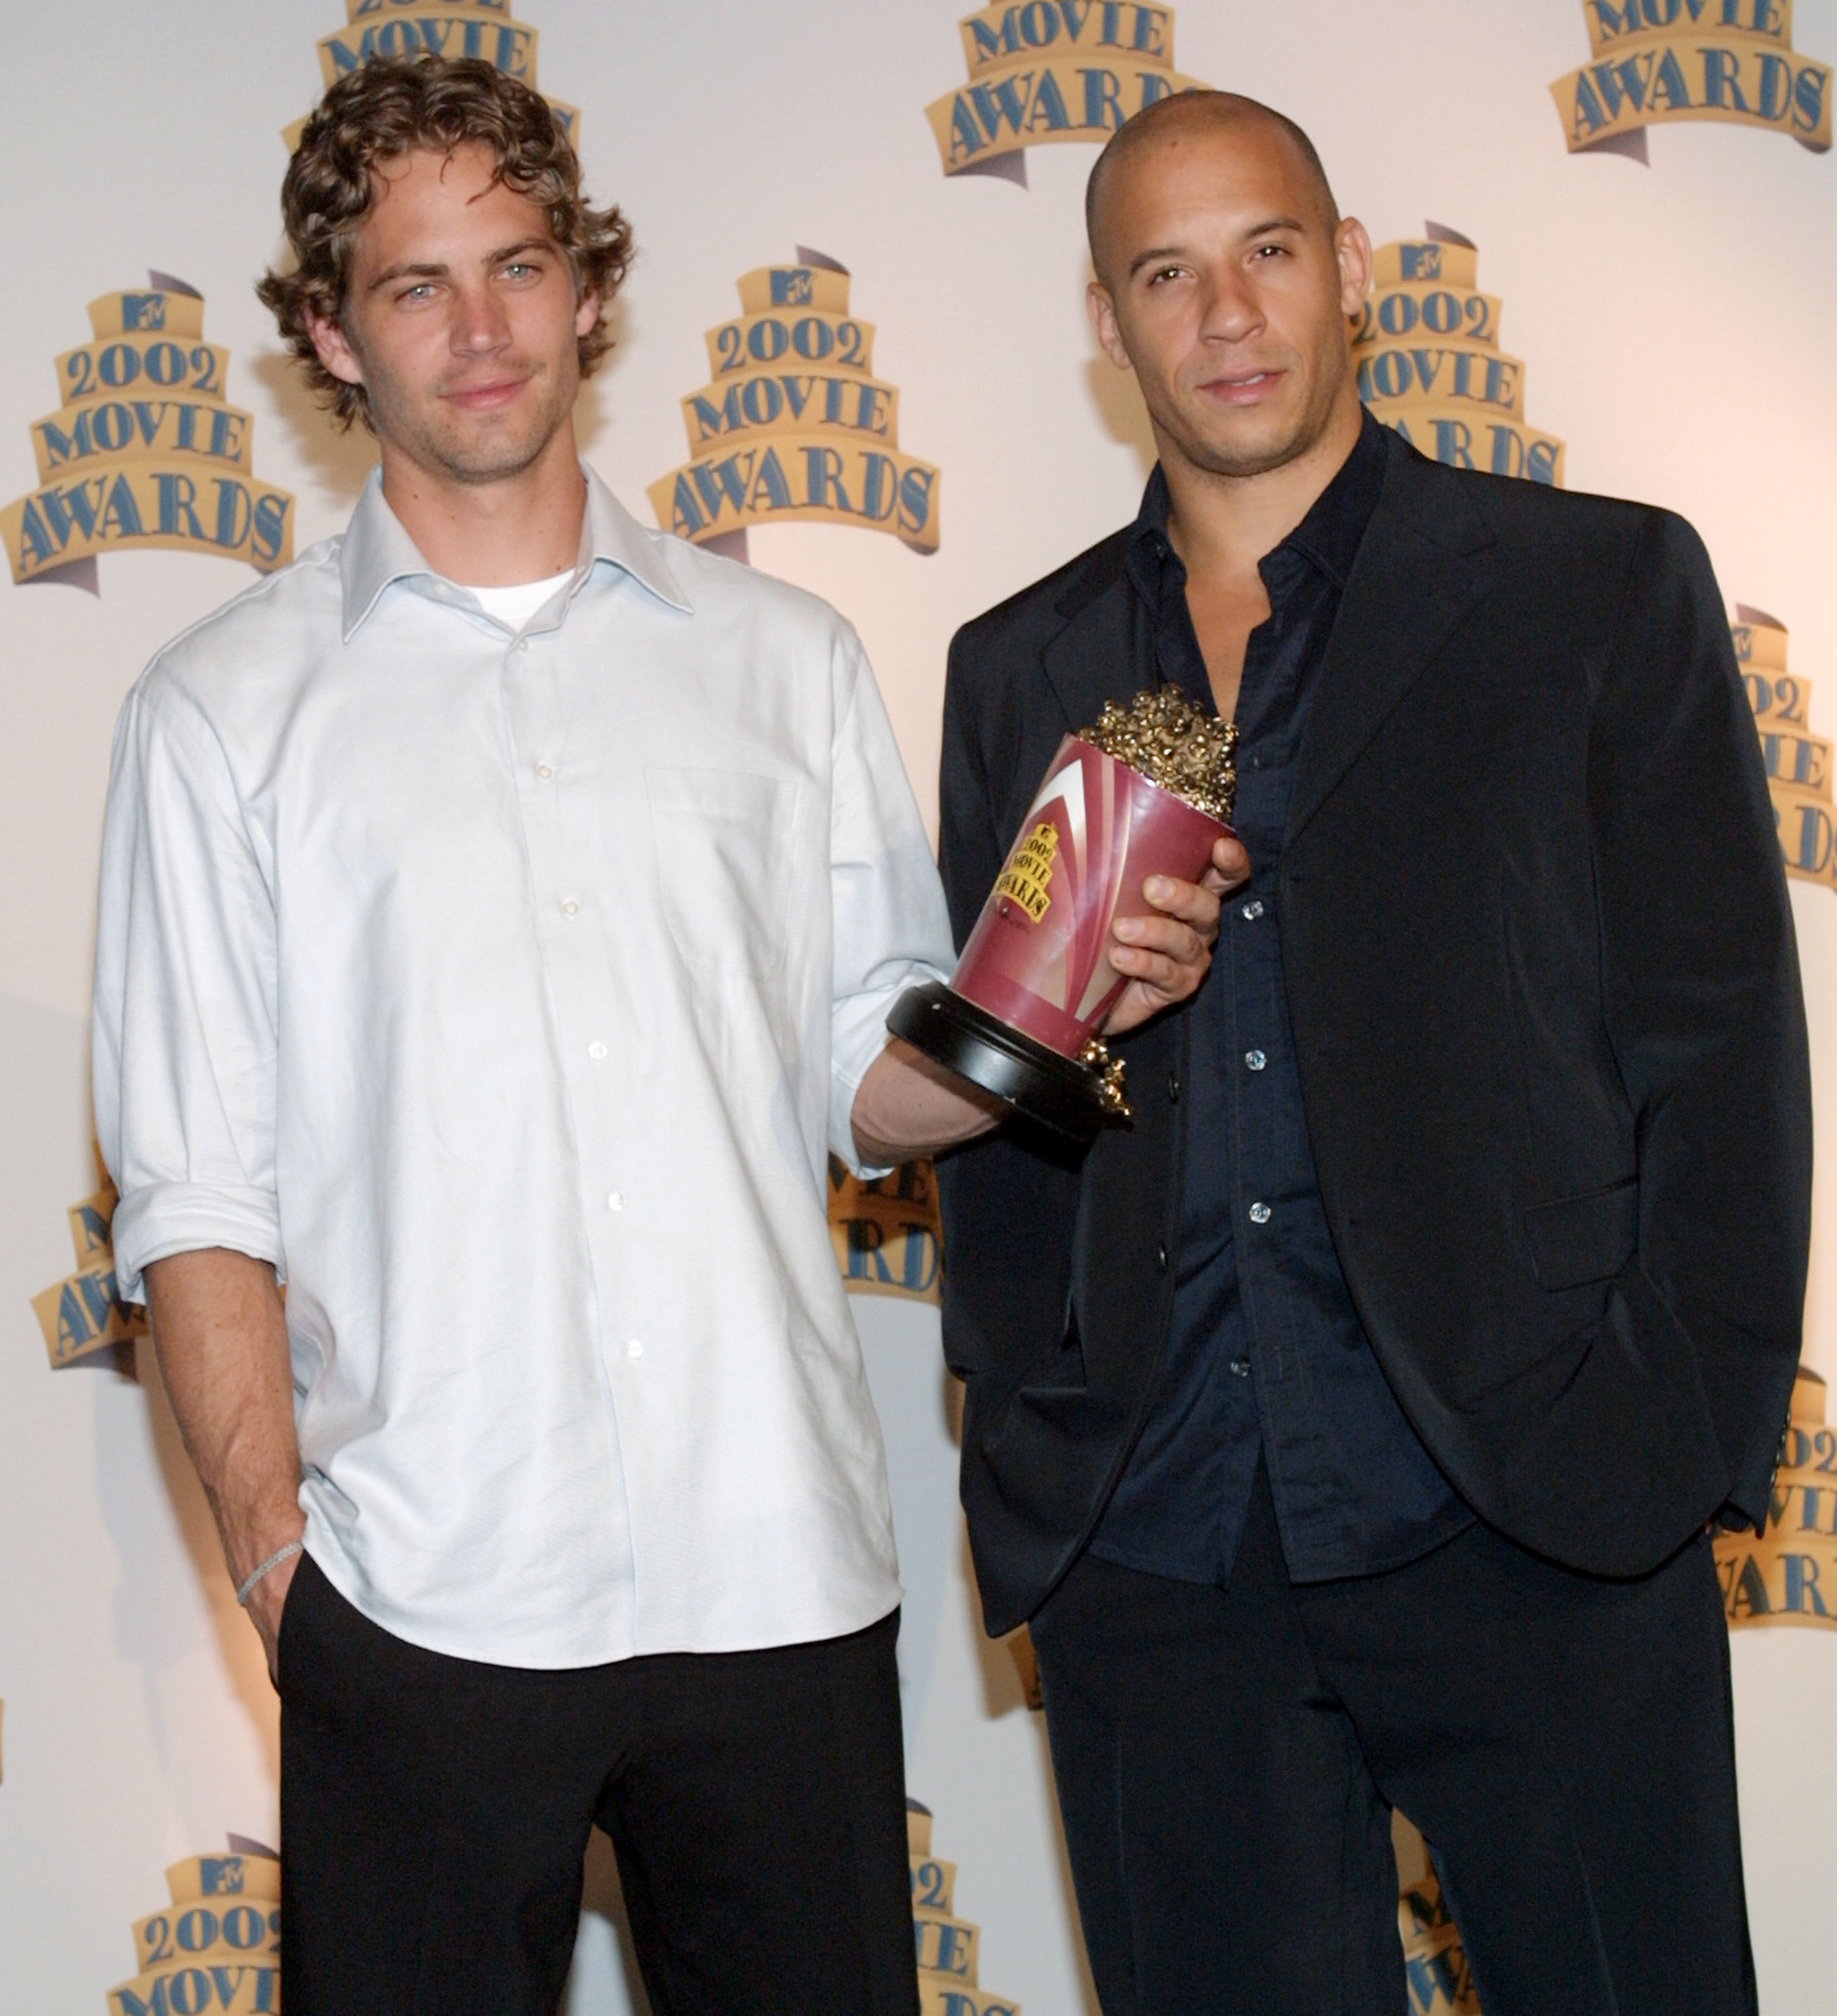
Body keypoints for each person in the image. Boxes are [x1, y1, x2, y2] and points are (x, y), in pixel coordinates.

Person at [89, 54, 1224, 2016]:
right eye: (416, 286)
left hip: (773, 1564)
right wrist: (287, 1575)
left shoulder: (779, 665)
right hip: (421, 1592)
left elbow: (860, 1077)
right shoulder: (221, 715)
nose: (480, 330)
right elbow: (199, 1192)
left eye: (518, 267)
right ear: (324, 334)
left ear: (592, 288)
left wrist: (1060, 1002)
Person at [934, 89, 1809, 2016]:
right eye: (1167, 274)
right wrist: (1038, 1416)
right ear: (1108, 323)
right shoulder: (1028, 667)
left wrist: (1667, 1445)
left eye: (1266, 251)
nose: (1228, 313)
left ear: (1347, 273)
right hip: (1163, 1552)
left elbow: (1723, 1042)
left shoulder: (1592, 589)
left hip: (1531, 1513)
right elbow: (999, 1096)